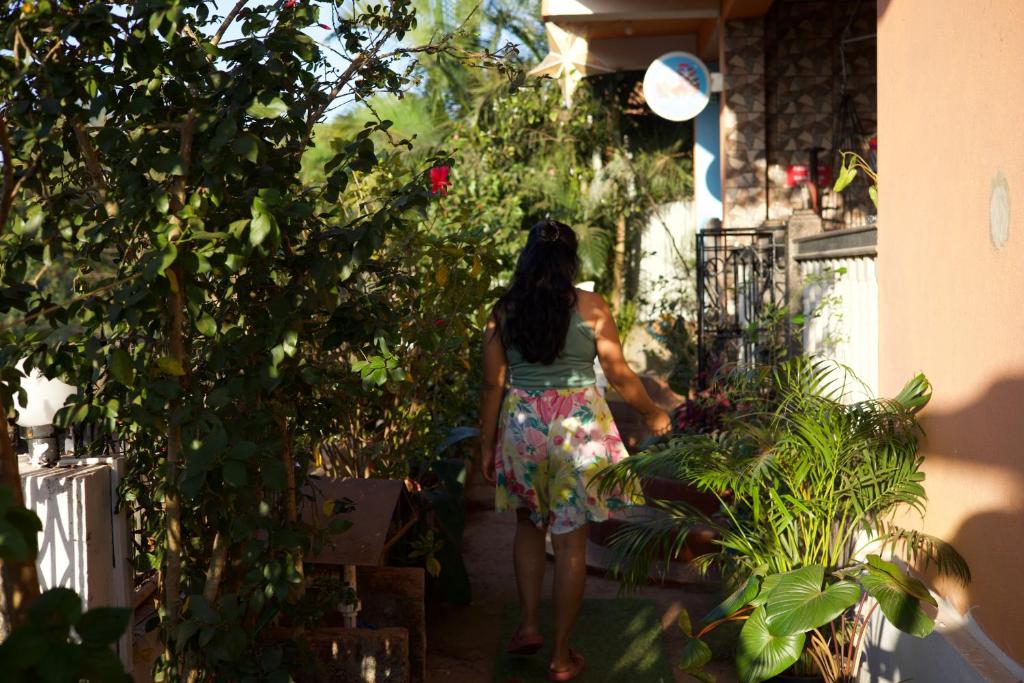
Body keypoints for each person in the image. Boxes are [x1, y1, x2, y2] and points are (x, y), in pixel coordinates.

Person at [479, 219, 672, 681]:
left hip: (523, 425)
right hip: (578, 428)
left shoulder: (502, 311)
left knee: (528, 524)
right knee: (571, 541)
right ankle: (561, 657)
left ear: (527, 257)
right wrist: (650, 413)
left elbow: (493, 384)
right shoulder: (590, 307)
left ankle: (528, 625)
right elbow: (621, 374)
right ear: (570, 261)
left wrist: (484, 448)